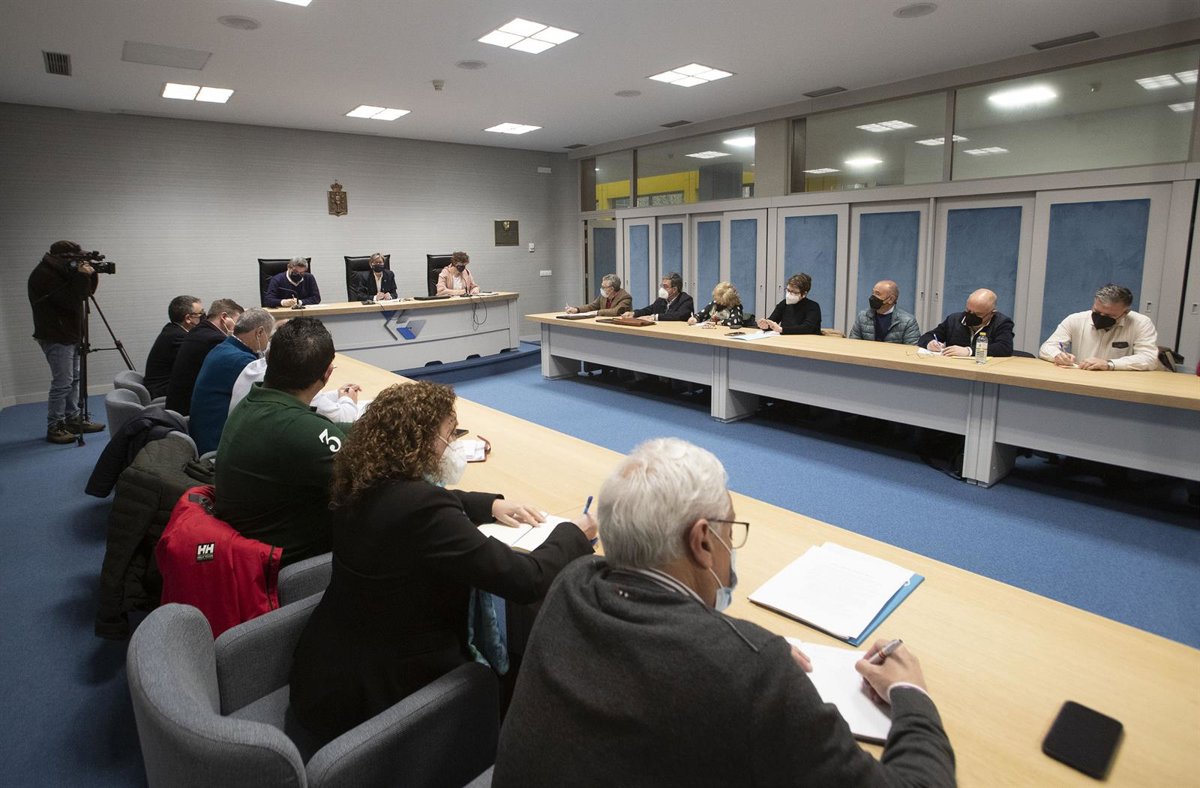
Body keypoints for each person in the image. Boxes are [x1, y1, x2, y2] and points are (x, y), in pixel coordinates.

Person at [494, 438, 956, 787]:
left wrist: (741, 649)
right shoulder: (754, 673)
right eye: (730, 533)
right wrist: (910, 692)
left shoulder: (573, 582)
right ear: (701, 541)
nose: (731, 547)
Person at [289, 381, 596, 743]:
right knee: (524, 629)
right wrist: (574, 533)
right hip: (380, 691)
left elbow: (422, 500)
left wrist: (489, 504)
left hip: (325, 667)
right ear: (420, 442)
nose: (453, 445)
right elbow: (526, 578)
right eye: (450, 434)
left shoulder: (360, 479)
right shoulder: (422, 509)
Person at [215, 317, 350, 566]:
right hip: (297, 563)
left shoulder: (255, 402)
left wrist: (374, 424)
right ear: (328, 373)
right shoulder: (299, 429)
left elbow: (328, 431)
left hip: (252, 543)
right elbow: (372, 478)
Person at [27, 240, 105, 443]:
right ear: (62, 258)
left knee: (74, 379)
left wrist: (90, 274)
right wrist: (81, 275)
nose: (78, 262)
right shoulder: (44, 275)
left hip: (70, 333)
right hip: (56, 335)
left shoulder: (61, 271)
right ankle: (55, 426)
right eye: (76, 258)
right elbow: (71, 300)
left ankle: (72, 419)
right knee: (62, 383)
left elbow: (85, 294)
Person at [188, 307, 275, 455]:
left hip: (204, 433)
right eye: (270, 336)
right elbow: (270, 398)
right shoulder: (240, 361)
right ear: (259, 332)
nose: (269, 342)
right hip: (217, 443)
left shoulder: (224, 348)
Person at [1039, 283, 1162, 371]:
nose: (1101, 317)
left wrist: (1109, 364)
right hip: (1081, 378)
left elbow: (1149, 358)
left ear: (1125, 312)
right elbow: (1047, 347)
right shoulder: (1075, 320)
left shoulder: (1141, 323)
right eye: (1097, 312)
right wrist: (1057, 355)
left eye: (1109, 315)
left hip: (1119, 383)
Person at [228, 356, 363, 424]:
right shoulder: (294, 384)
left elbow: (315, 402)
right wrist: (348, 399)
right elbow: (344, 419)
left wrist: (337, 394)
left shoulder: (255, 366)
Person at [165, 299, 243, 416]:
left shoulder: (199, 330)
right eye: (238, 322)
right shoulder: (214, 340)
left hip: (180, 404)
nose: (239, 328)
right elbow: (238, 367)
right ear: (224, 317)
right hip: (190, 411)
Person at [919, 288, 1014, 357]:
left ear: (992, 313)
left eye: (978, 314)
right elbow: (927, 336)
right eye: (968, 311)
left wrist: (969, 351)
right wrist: (930, 343)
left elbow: (1004, 347)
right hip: (953, 367)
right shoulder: (954, 319)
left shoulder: (1002, 323)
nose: (971, 315)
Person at [143, 295, 204, 399]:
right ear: (188, 318)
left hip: (163, 385)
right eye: (200, 314)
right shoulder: (178, 337)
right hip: (162, 391)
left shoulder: (172, 330)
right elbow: (197, 363)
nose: (204, 317)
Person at [849, 279, 920, 344]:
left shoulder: (908, 321)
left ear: (891, 299)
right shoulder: (863, 316)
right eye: (873, 293)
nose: (872, 297)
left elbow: (912, 349)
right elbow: (853, 343)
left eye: (878, 294)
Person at [626, 272, 694, 322]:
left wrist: (656, 317)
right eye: (662, 286)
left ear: (674, 289)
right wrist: (634, 313)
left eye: (665, 287)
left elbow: (679, 315)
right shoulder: (661, 300)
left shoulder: (686, 300)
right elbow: (650, 309)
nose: (662, 289)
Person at [564, 273, 631, 316]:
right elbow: (592, 306)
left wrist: (597, 312)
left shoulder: (625, 297)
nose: (602, 289)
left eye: (604, 287)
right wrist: (576, 309)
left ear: (611, 289)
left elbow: (615, 311)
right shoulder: (604, 295)